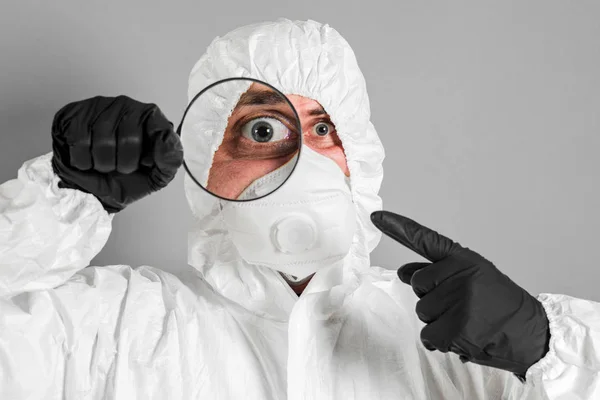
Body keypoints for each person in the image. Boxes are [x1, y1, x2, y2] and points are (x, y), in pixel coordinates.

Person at [0, 18, 599, 400]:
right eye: (262, 129)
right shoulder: (114, 327)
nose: (300, 159)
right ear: (206, 167)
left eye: (323, 128)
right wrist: (55, 204)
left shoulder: (455, 339)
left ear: (356, 157)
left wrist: (547, 349)